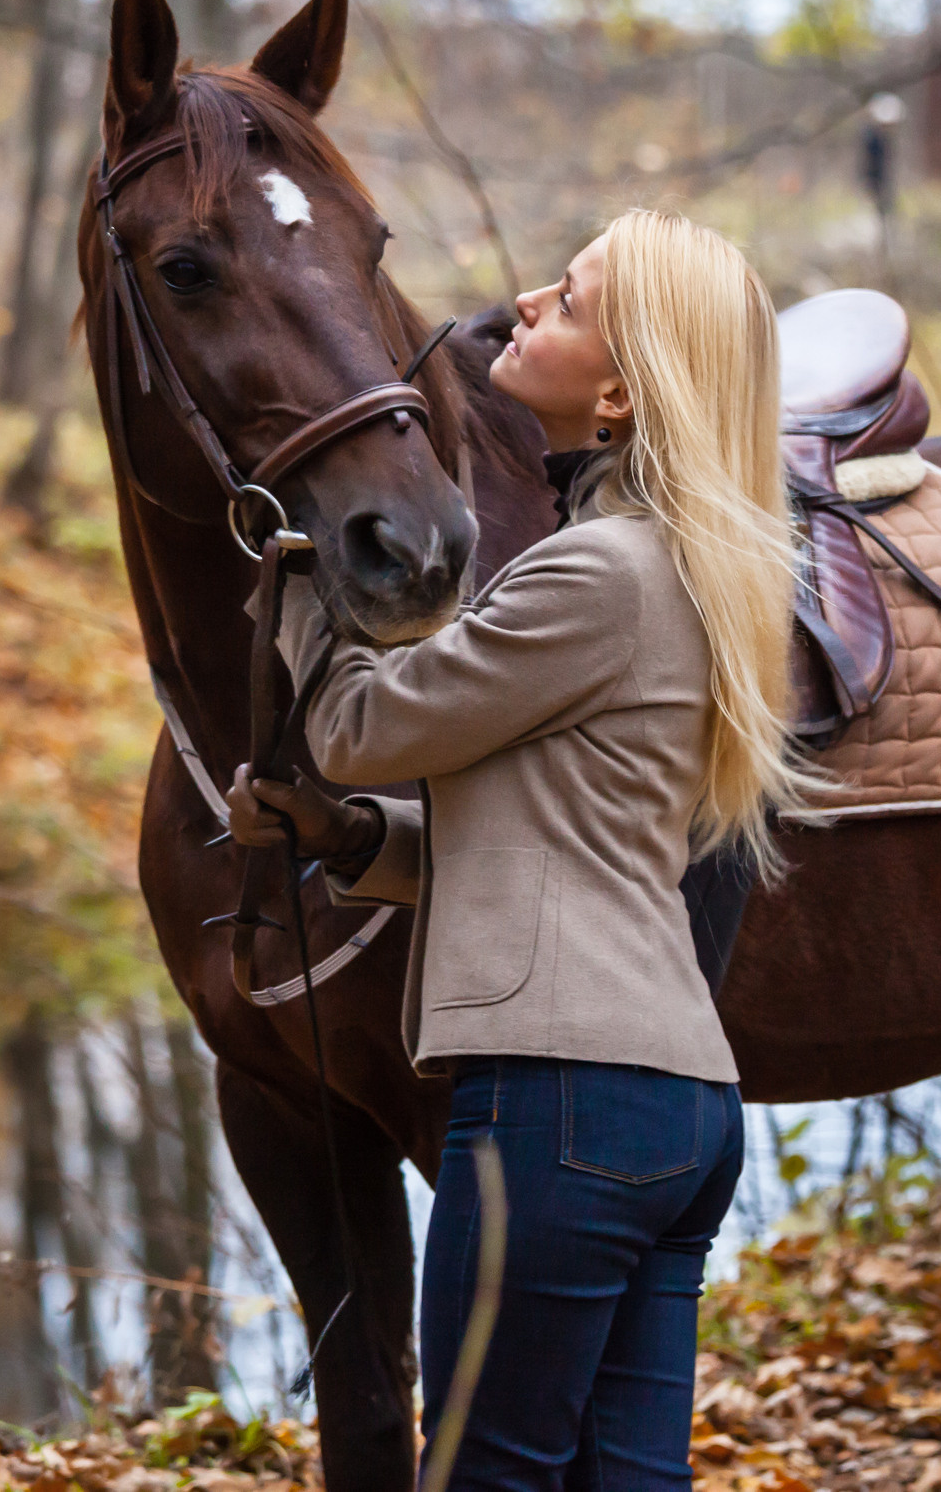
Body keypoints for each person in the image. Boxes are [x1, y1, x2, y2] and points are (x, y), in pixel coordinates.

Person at [226, 207, 804, 1491]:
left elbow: (363, 725)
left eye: (575, 296)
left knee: (485, 1477)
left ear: (616, 395)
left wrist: (305, 575)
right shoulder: (686, 571)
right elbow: (552, 839)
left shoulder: (595, 574)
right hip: (676, 1113)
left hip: (556, 1105)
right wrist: (341, 836)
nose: (528, 299)